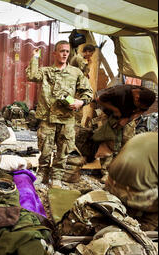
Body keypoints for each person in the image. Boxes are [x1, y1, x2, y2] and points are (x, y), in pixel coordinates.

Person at [26, 40, 94, 188]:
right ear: (55, 53)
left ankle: (57, 177)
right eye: (62, 51)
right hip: (48, 118)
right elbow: (31, 75)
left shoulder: (75, 73)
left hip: (66, 119)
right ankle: (42, 174)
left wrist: (80, 102)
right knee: (45, 148)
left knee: (63, 150)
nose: (64, 54)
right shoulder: (45, 72)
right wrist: (35, 57)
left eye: (67, 52)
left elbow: (88, 93)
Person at [92, 84, 156, 181]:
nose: (139, 107)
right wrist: (116, 110)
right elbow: (99, 100)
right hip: (111, 116)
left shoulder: (146, 97)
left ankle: (123, 171)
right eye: (138, 105)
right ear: (136, 97)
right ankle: (107, 173)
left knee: (128, 143)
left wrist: (128, 119)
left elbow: (140, 111)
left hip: (127, 118)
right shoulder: (119, 92)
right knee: (110, 144)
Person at [105, 132, 158, 231]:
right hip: (134, 194)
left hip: (110, 184)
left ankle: (121, 216)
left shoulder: (146, 135)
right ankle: (145, 229)